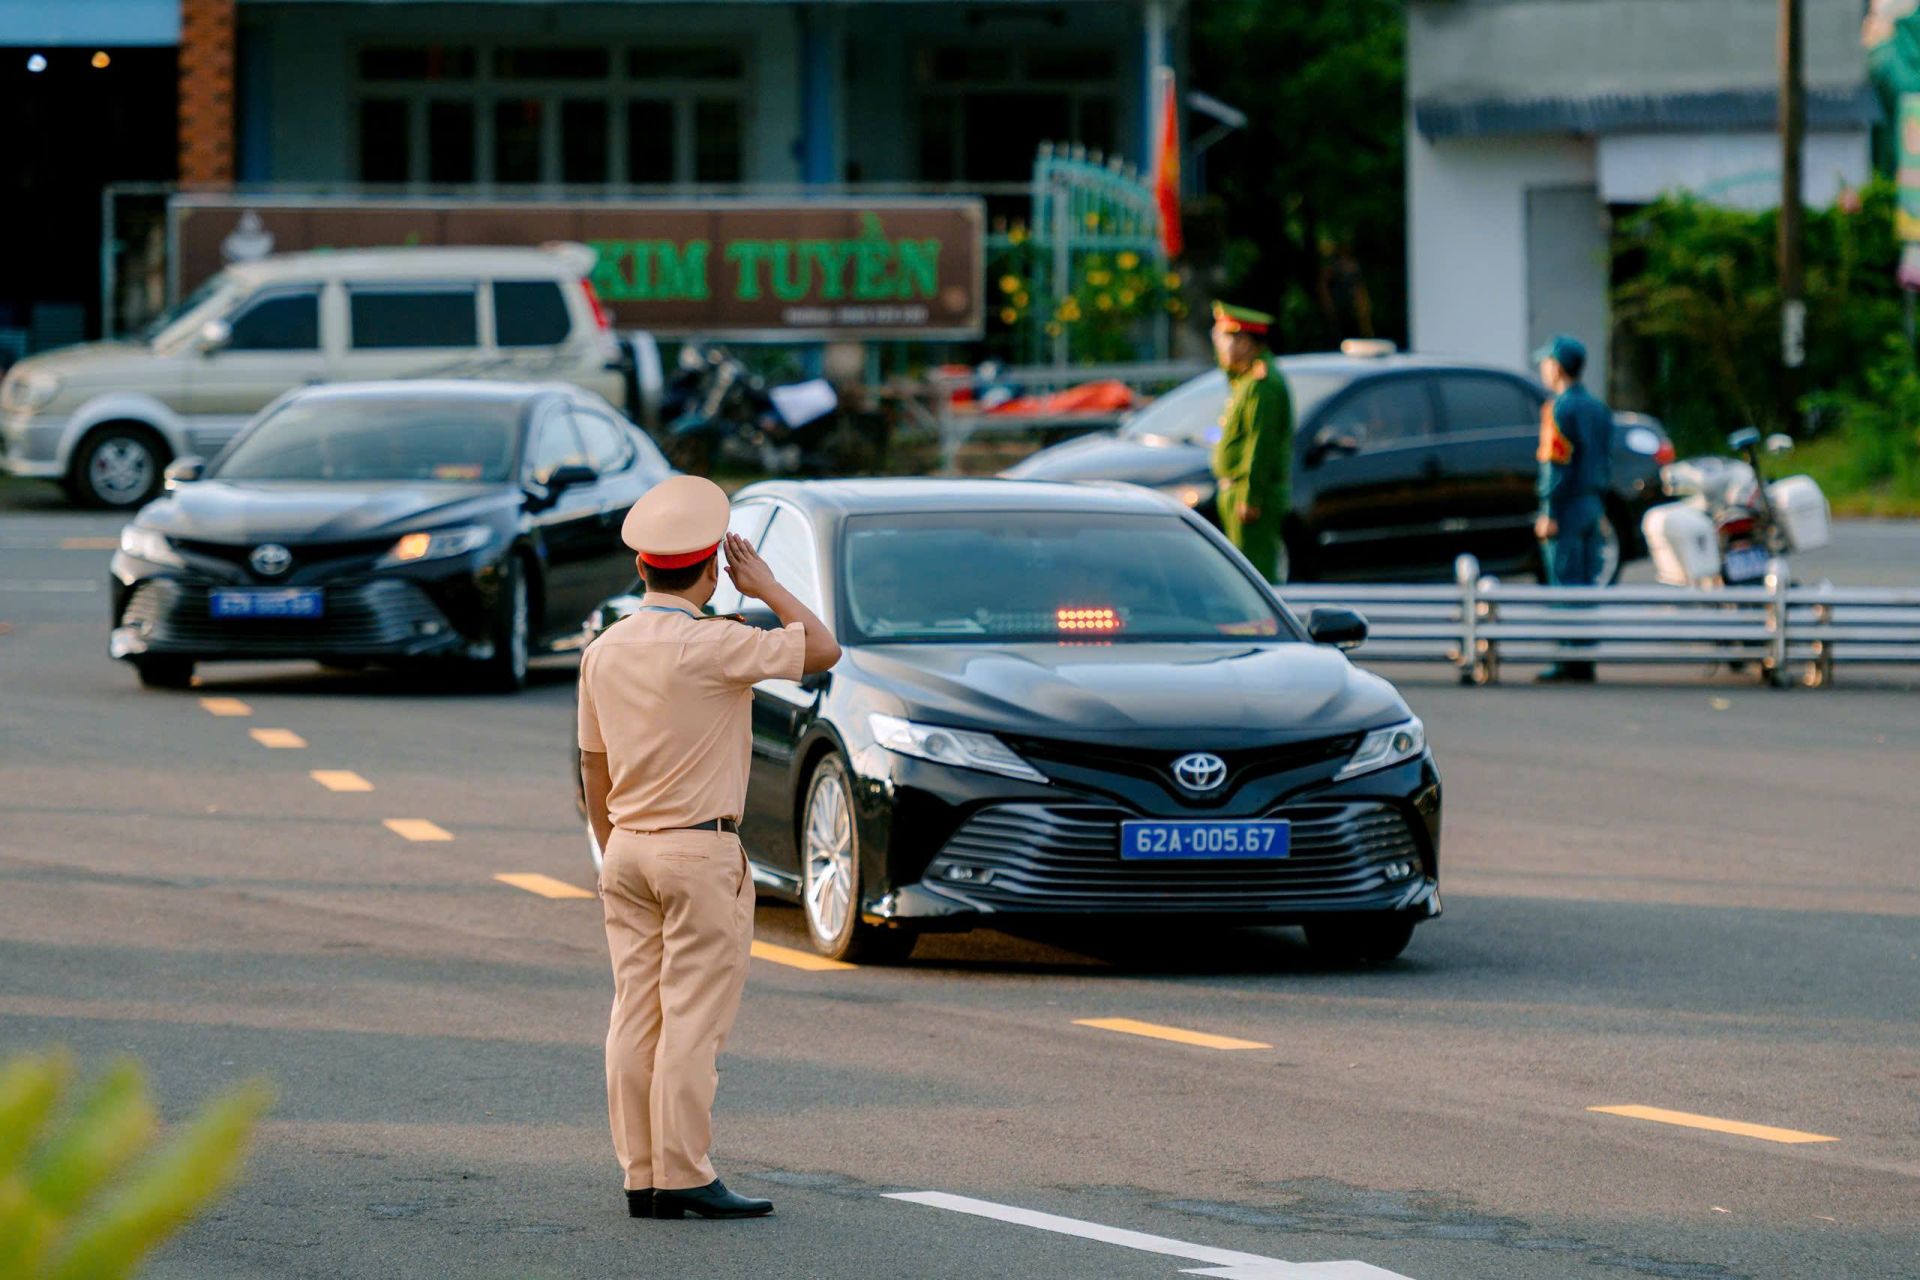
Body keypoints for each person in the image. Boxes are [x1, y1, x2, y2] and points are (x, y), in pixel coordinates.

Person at [578, 474, 841, 1220]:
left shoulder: (605, 650)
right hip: (698, 851)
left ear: (641, 567)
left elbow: (592, 764)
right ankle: (685, 1172)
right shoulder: (716, 644)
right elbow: (823, 648)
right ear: (712, 568)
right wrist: (767, 583)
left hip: (626, 845)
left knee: (636, 1013)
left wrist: (613, 846)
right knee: (692, 1018)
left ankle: (643, 1175)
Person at [1532, 334, 1614, 683]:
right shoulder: (1598, 408)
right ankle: (1585, 658)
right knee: (1586, 585)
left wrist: (1549, 510)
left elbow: (1556, 464)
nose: (1543, 369)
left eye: (1546, 362)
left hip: (1566, 509)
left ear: (1558, 367)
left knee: (1564, 585)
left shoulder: (1559, 408)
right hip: (1593, 505)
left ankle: (1567, 659)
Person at [1209, 301, 1294, 582]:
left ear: (1245, 342)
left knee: (1255, 578)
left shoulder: (1262, 384)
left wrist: (1250, 496)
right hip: (1237, 491)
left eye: (1225, 338)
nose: (1220, 346)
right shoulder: (1245, 379)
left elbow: (1261, 445)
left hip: (1251, 494)